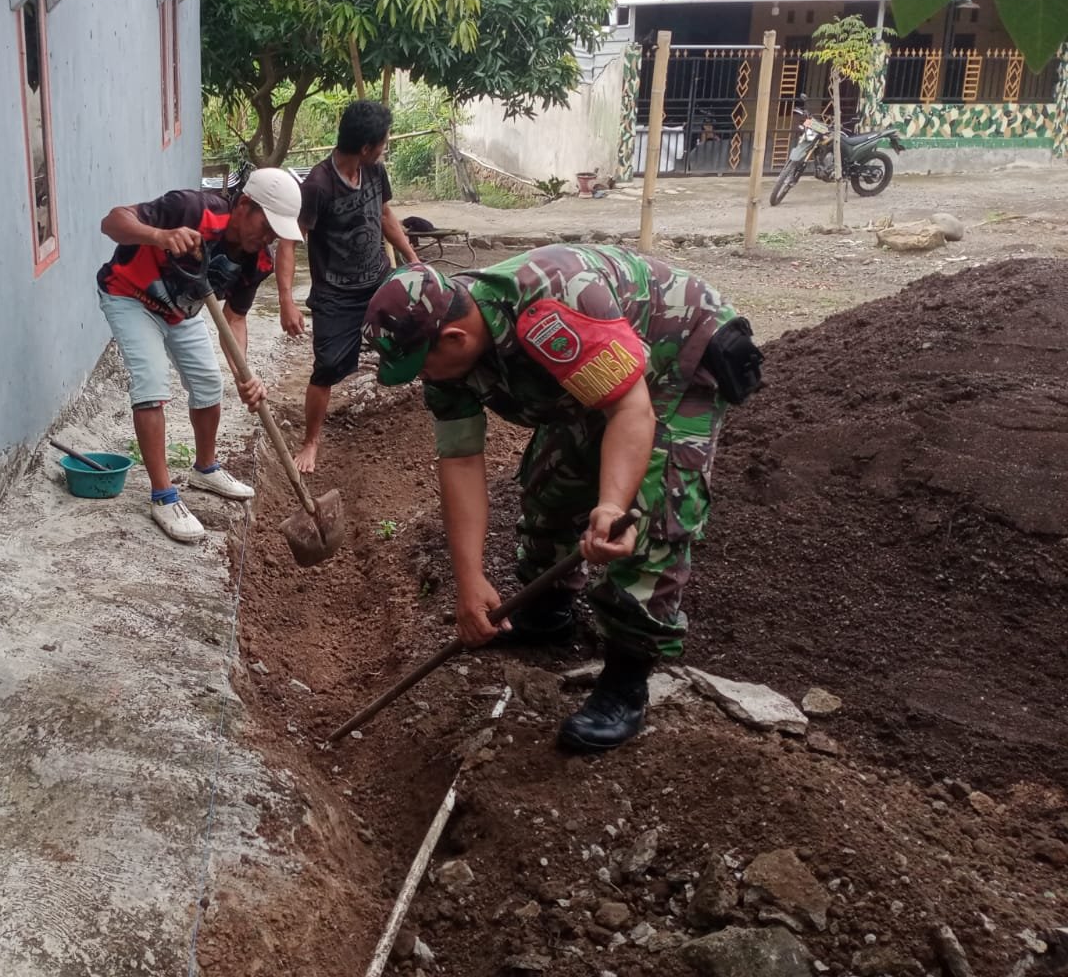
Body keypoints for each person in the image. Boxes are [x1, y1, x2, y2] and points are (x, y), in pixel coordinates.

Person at [360, 246, 763, 752]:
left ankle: (626, 680)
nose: (424, 377)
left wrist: (612, 505)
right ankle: (548, 612)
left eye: (423, 366)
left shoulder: (553, 310)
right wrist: (469, 580)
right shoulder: (449, 357)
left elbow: (630, 411)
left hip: (675, 355)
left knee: (654, 509)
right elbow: (460, 461)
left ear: (456, 338)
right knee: (551, 481)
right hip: (600, 371)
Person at [97, 168, 305, 543]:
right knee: (151, 383)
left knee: (208, 383)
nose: (268, 239)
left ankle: (205, 469)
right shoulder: (192, 209)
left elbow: (235, 319)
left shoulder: (258, 262)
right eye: (266, 226)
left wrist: (244, 374)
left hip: (181, 311)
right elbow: (111, 222)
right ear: (245, 204)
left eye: (276, 234)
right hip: (130, 296)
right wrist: (160, 235)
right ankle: (163, 496)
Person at [276, 100, 419, 473]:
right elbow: (289, 241)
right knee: (326, 368)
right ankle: (311, 442)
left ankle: (413, 409)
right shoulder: (318, 185)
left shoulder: (375, 171)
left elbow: (384, 214)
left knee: (418, 330)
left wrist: (411, 259)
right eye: (383, 143)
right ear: (366, 147)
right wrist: (286, 301)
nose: (385, 149)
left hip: (379, 280)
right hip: (335, 295)